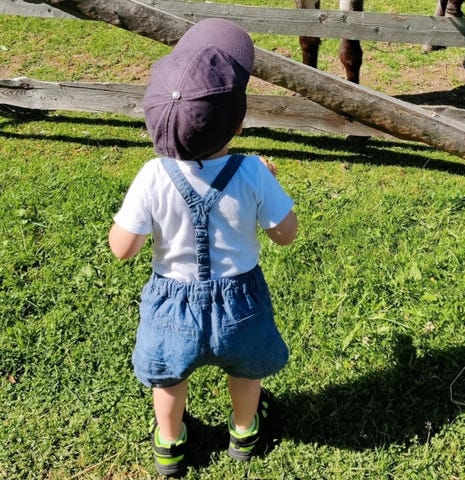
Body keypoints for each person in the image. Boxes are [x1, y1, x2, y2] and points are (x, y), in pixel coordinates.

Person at [108, 18, 298, 476]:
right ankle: (244, 431)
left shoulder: (152, 175)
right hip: (241, 301)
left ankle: (170, 442)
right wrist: (267, 184)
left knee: (168, 378)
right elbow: (286, 233)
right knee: (246, 373)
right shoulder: (253, 171)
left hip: (171, 305)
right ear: (238, 121)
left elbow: (122, 248)